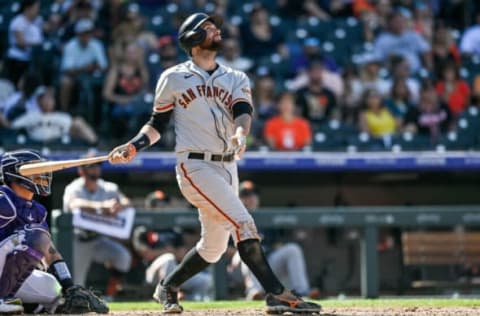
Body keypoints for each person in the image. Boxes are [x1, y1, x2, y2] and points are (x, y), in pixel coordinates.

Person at [108, 12, 321, 314]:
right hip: (195, 166)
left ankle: (167, 286)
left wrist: (240, 133)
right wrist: (134, 145)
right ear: (192, 39)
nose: (217, 31)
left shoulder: (235, 77)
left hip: (226, 165)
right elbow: (158, 123)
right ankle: (277, 294)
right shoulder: (173, 77)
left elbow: (243, 111)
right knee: (244, 225)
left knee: (214, 248)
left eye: (216, 27)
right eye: (208, 28)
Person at [0, 149, 109, 314]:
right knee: (34, 235)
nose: (41, 174)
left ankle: (32, 307)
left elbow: (50, 252)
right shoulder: (3, 199)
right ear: (14, 173)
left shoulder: (38, 210)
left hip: (5, 275)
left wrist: (69, 287)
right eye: (35, 169)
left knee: (52, 289)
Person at [229, 181, 319, 300]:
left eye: (253, 194)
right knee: (248, 252)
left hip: (268, 263)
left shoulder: (267, 218)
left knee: (293, 249)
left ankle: (302, 291)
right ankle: (255, 292)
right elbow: (224, 248)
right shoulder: (232, 218)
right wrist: (237, 252)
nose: (251, 198)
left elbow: (278, 244)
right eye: (246, 195)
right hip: (240, 268)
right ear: (239, 198)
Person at [62, 157, 132, 300]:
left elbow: (126, 201)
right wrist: (100, 206)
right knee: (76, 285)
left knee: (123, 257)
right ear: (81, 170)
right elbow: (73, 203)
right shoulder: (74, 188)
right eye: (91, 167)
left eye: (97, 166)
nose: (95, 169)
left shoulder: (108, 187)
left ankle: (110, 293)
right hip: (78, 241)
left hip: (98, 239)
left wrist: (119, 206)